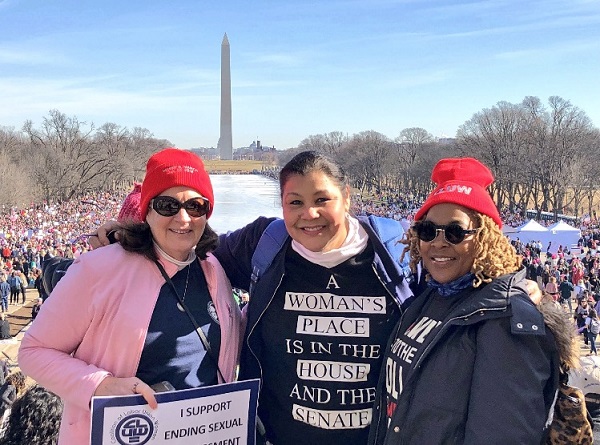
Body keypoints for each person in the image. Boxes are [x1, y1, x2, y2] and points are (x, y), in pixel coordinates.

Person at [88, 150, 544, 444]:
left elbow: (463, 283)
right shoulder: (262, 243)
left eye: (322, 199)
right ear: (281, 204)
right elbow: (184, 258)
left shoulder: (398, 252)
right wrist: (130, 240)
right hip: (279, 434)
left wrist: (517, 290)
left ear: (346, 197)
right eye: (295, 202)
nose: (310, 214)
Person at [18, 148, 243, 445]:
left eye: (196, 206)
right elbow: (33, 351)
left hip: (200, 433)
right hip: (120, 433)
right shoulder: (99, 268)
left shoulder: (213, 269)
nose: (183, 217)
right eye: (167, 205)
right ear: (147, 210)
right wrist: (100, 385)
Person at [368, 157, 564, 444]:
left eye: (455, 232)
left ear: (486, 239)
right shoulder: (430, 297)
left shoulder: (504, 319)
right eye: (427, 230)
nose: (438, 242)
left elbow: (503, 436)